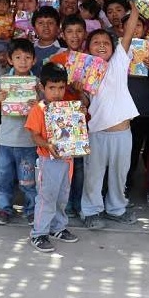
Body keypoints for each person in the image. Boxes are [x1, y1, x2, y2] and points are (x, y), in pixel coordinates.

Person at [81, 5, 140, 229]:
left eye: (106, 42)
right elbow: (85, 104)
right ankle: (91, 210)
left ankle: (116, 208)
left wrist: (134, 9)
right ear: (89, 50)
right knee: (93, 175)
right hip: (96, 133)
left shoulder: (118, 63)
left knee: (119, 175)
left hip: (123, 133)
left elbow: (129, 31)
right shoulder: (83, 70)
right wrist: (79, 91)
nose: (102, 45)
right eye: (96, 43)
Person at [24, 62, 80, 253]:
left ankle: (58, 228)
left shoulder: (68, 108)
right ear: (42, 87)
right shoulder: (39, 109)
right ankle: (39, 233)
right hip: (48, 161)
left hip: (67, 160)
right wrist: (48, 145)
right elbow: (34, 136)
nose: (57, 92)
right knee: (46, 197)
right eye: (52, 88)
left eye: (61, 88)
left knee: (62, 197)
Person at [0, 38, 40, 225]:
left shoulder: (36, 83)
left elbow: (44, 111)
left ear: (34, 60)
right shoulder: (3, 82)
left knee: (28, 181)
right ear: (10, 60)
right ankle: (4, 209)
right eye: (18, 57)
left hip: (28, 142)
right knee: (3, 178)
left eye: (27, 57)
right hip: (6, 141)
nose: (23, 61)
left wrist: (38, 104)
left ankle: (32, 210)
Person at [50, 15, 91, 218]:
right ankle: (62, 204)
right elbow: (48, 92)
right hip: (61, 118)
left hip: (83, 118)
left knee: (81, 166)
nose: (74, 36)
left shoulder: (92, 61)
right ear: (62, 35)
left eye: (78, 31)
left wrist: (80, 93)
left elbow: (92, 97)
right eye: (69, 32)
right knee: (62, 165)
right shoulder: (57, 60)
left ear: (84, 33)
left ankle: (77, 202)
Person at [124, 12, 149, 205]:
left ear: (145, 30)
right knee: (130, 153)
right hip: (130, 114)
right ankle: (125, 185)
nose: (134, 30)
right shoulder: (118, 52)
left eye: (138, 27)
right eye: (130, 27)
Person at [31, 6, 64, 75]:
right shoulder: (28, 49)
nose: (45, 26)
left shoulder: (64, 49)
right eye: (40, 23)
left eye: (50, 23)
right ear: (34, 29)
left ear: (58, 28)